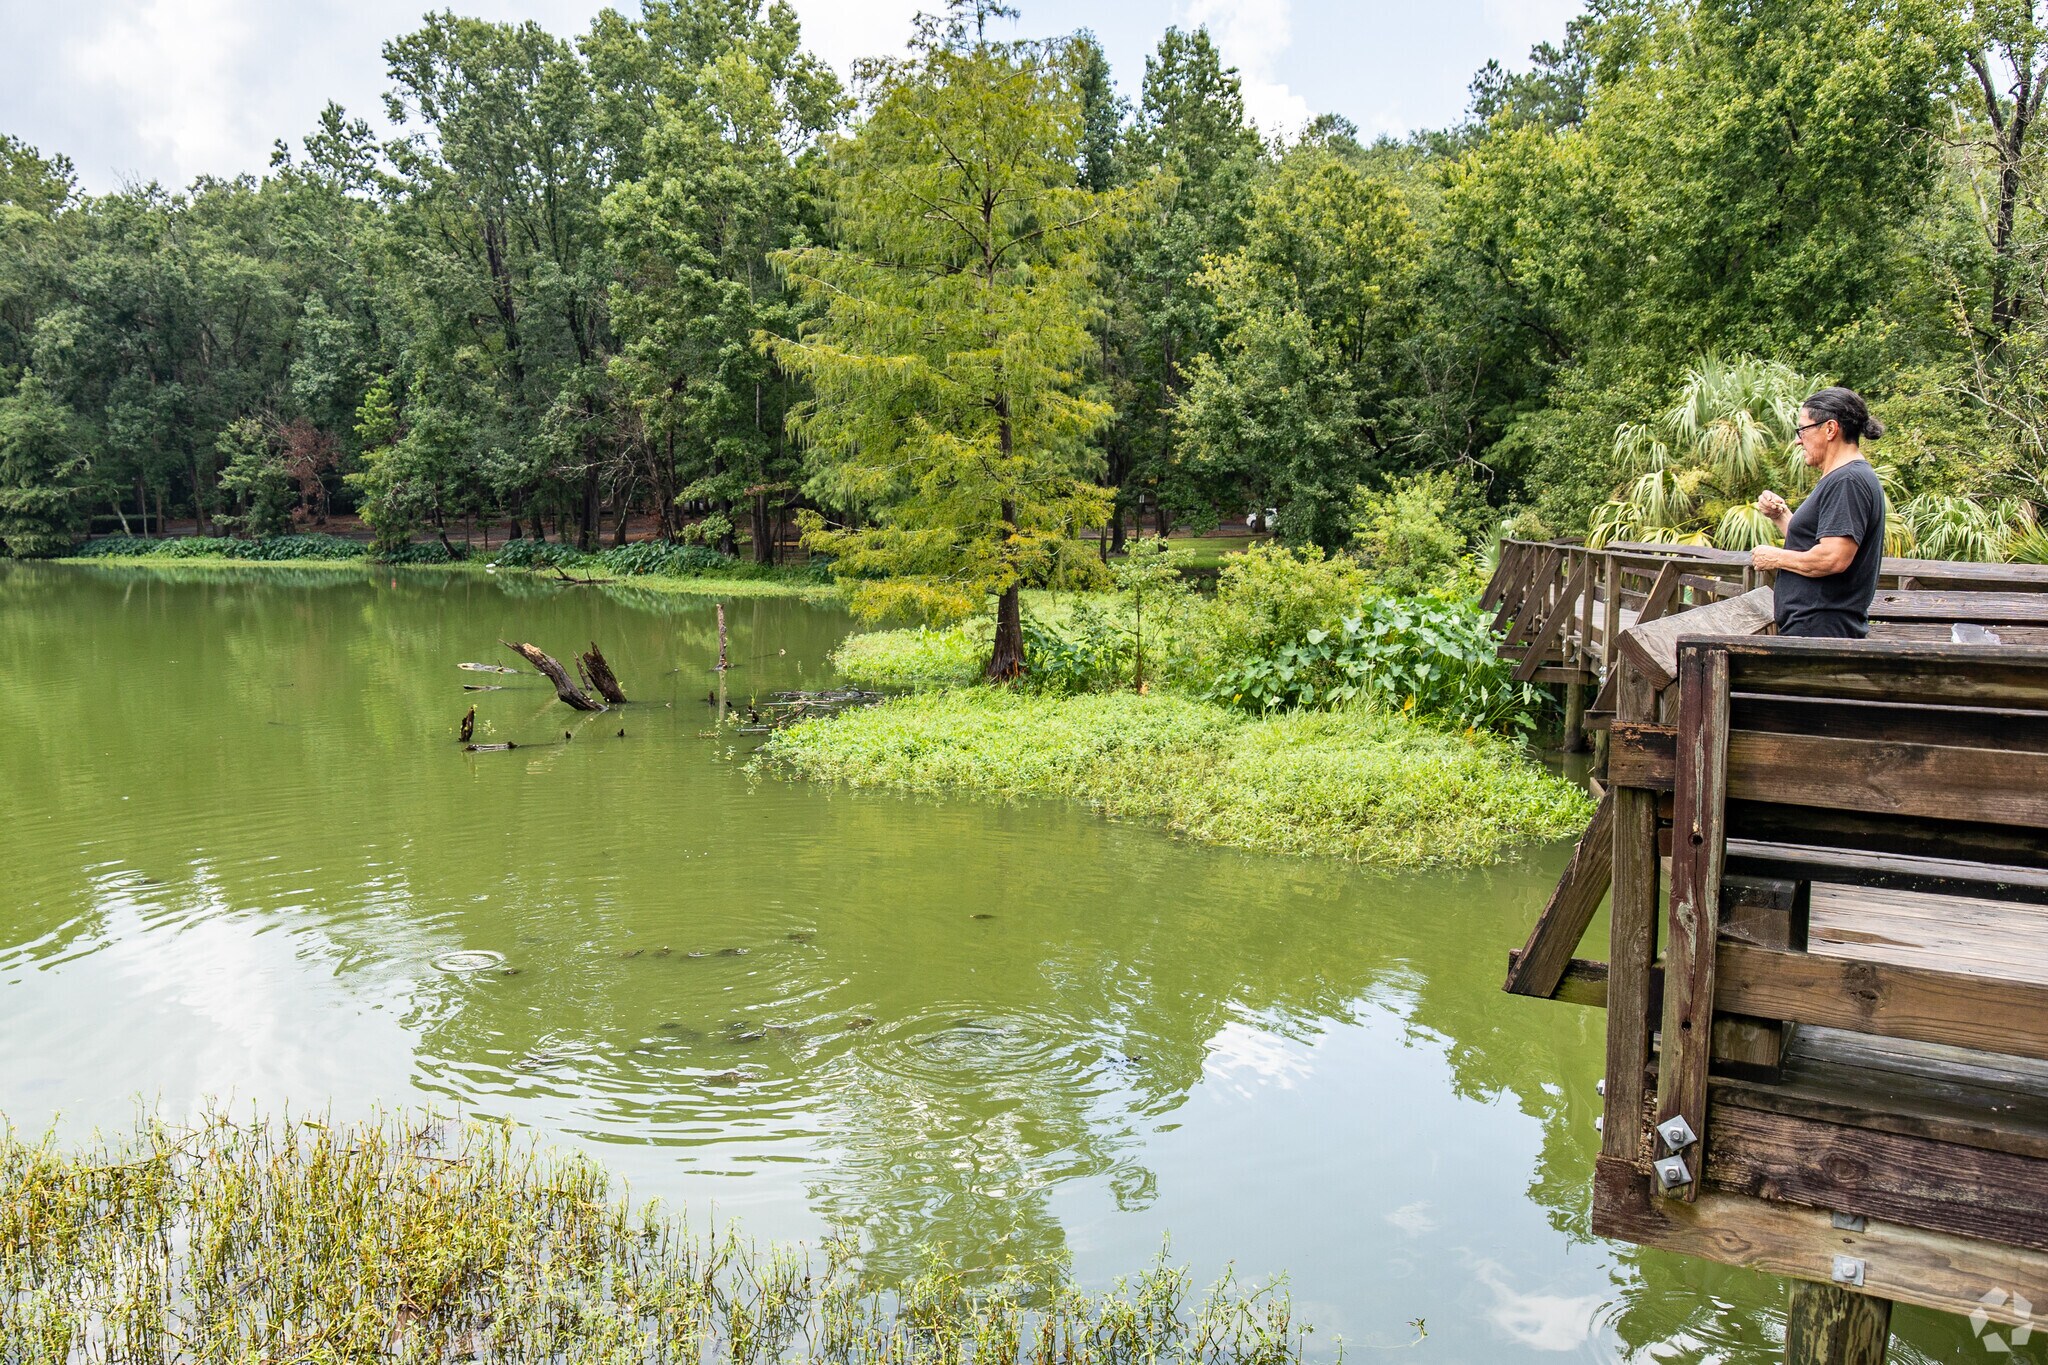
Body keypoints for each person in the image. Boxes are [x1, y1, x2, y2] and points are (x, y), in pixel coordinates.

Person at [1750, 386, 1887, 638]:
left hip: (1821, 628)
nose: (1798, 439)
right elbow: (1815, 544)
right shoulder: (1845, 477)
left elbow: (1833, 558)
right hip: (1816, 626)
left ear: (1830, 429)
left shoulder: (1848, 480)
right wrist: (1780, 515)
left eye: (1803, 429)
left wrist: (1775, 558)